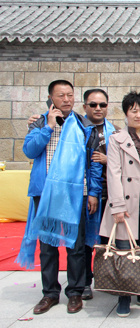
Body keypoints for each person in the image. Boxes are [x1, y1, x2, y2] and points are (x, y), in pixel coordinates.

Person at [18, 80, 102, 315]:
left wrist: (93, 192)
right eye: (61, 95)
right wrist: (48, 127)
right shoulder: (39, 122)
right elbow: (29, 151)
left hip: (75, 192)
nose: (66, 99)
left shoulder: (84, 124)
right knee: (48, 246)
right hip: (45, 193)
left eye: (69, 95)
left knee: (75, 245)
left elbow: (94, 163)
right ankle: (50, 294)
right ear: (50, 98)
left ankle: (75, 292)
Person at [99, 91, 140, 317]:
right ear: (126, 113)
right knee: (125, 250)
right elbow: (113, 173)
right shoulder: (116, 140)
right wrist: (117, 206)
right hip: (126, 203)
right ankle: (124, 296)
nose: (139, 114)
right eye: (133, 110)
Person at [81, 89, 118, 301]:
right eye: (93, 104)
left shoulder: (114, 131)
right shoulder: (78, 129)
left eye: (102, 105)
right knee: (85, 241)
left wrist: (108, 160)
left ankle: (105, 279)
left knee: (106, 239)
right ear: (84, 106)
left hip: (109, 192)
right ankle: (85, 281)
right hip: (84, 192)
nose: (98, 108)